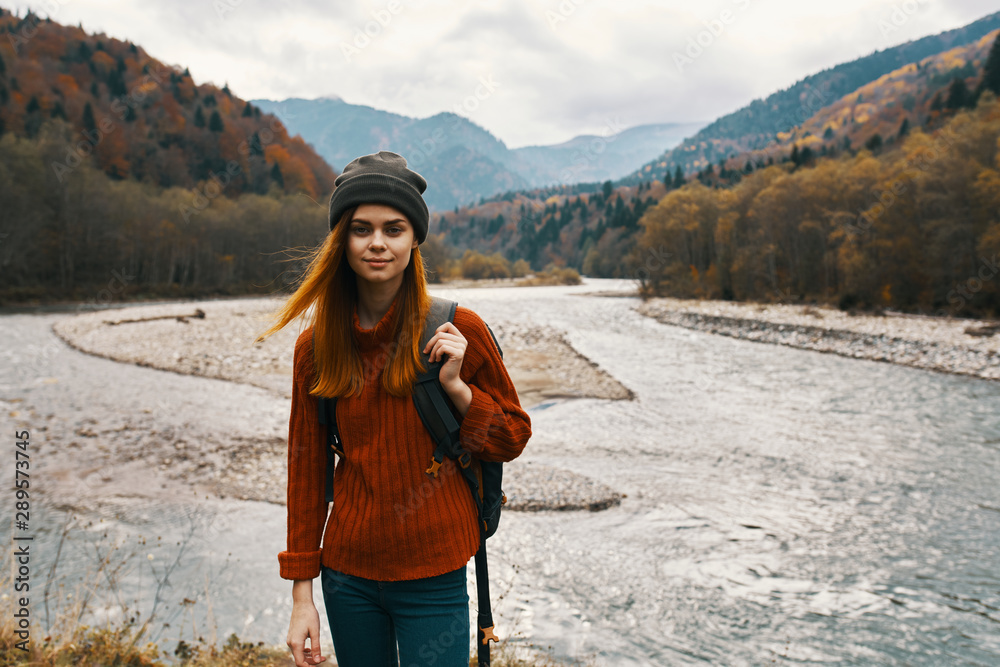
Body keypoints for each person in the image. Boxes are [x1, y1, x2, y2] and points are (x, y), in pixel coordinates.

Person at [256, 150, 532, 667]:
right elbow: (307, 471)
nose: (377, 243)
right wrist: (301, 596)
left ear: (414, 239)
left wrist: (458, 389)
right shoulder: (316, 348)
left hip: (435, 576)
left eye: (394, 228)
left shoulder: (459, 329)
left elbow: (512, 437)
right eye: (361, 229)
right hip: (348, 579)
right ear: (342, 240)